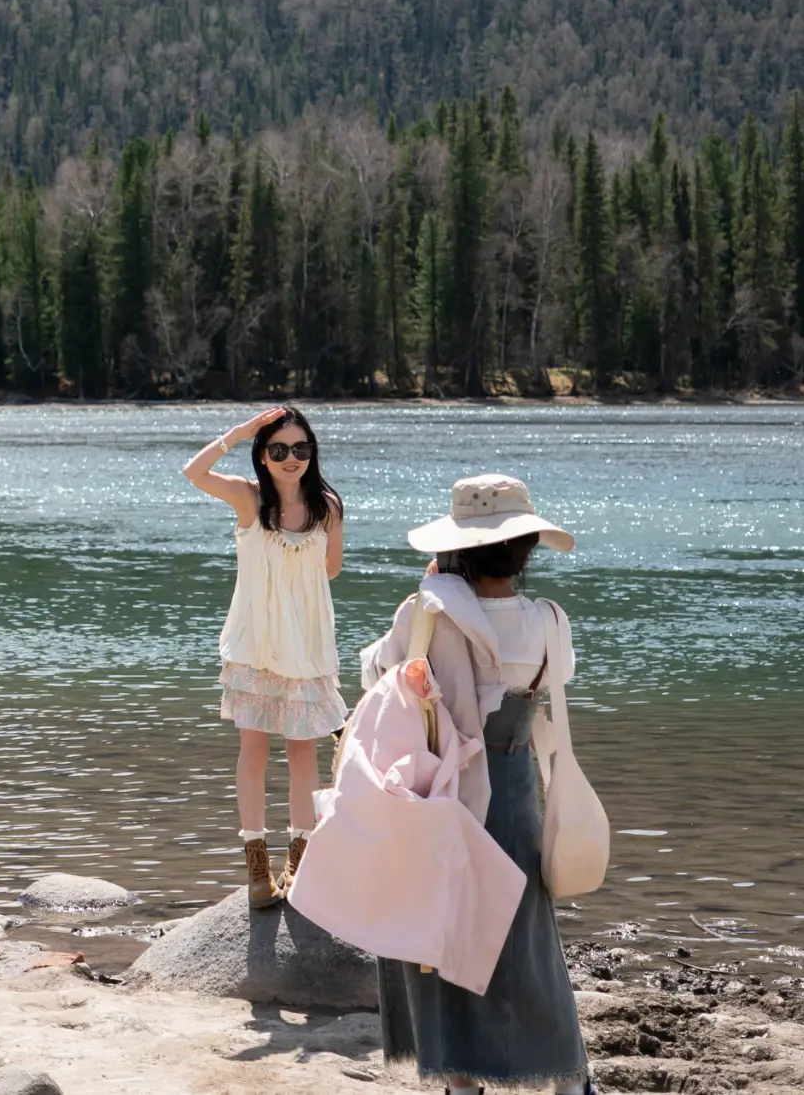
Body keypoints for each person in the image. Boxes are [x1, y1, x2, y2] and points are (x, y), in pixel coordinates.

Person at [361, 473, 591, 1094]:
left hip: (439, 792)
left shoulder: (425, 613)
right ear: (527, 549)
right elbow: (559, 678)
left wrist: (431, 597)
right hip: (513, 791)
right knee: (526, 939)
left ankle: (461, 1083)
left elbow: (377, 675)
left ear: (456, 548)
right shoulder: (548, 620)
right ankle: (568, 1081)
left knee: (440, 932)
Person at [181, 405, 345, 909]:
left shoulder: (328, 507)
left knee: (303, 755)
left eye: (300, 448)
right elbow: (193, 472)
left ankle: (299, 861)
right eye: (278, 449)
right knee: (253, 754)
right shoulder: (248, 499)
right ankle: (258, 870)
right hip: (256, 647)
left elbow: (331, 568)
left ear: (312, 452)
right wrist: (239, 432)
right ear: (263, 455)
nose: (291, 457)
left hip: (306, 650)